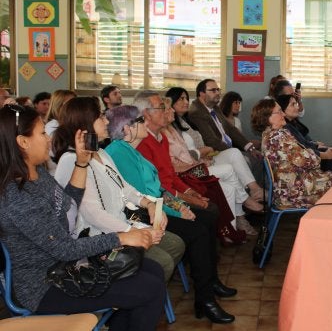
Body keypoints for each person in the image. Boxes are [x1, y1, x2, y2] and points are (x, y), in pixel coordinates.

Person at [0, 104, 164, 331]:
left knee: (152, 271)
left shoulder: (36, 175)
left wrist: (81, 163)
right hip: (43, 286)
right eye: (42, 133)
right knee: (149, 288)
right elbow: (64, 248)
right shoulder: (16, 195)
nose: (49, 138)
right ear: (22, 141)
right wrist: (122, 238)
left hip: (63, 268)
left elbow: (67, 208)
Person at [105, 104, 237, 324]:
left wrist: (180, 206)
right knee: (198, 231)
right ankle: (205, 299)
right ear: (126, 128)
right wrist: (177, 210)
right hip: (139, 215)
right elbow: (141, 197)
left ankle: (209, 283)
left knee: (207, 217)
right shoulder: (119, 153)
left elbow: (158, 188)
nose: (145, 123)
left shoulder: (130, 150)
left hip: (156, 208)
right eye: (139, 121)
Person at [52, 97, 185, 282]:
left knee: (175, 245)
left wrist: (150, 204)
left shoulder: (101, 152)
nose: (107, 121)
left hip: (119, 227)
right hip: (96, 240)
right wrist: (131, 232)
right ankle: (132, 302)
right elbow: (93, 215)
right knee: (162, 262)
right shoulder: (71, 161)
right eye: (100, 117)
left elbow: (125, 188)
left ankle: (144, 297)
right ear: (86, 123)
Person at [165, 87, 261, 235]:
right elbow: (181, 157)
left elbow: (229, 131)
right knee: (230, 168)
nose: (186, 102)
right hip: (192, 167)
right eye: (181, 99)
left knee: (235, 155)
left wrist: (204, 154)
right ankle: (245, 201)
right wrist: (201, 154)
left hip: (203, 159)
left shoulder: (185, 120)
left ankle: (234, 224)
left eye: (186, 98)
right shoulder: (178, 123)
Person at [251, 99, 332, 209]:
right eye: (279, 111)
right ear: (267, 117)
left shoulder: (270, 135)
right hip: (295, 193)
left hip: (296, 186)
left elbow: (302, 154)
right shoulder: (278, 138)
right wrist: (324, 156)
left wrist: (313, 154)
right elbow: (306, 160)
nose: (283, 114)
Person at [188, 79, 264, 186]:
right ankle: (253, 192)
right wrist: (233, 152)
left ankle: (258, 194)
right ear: (202, 94)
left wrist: (250, 148)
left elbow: (231, 129)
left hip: (228, 149)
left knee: (259, 158)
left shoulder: (214, 108)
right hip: (214, 154)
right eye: (213, 90)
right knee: (248, 160)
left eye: (218, 90)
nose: (218, 93)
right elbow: (211, 140)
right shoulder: (196, 112)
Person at [275, 94, 332, 179]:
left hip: (312, 153)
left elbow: (303, 141)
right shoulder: (286, 127)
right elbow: (303, 147)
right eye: (293, 104)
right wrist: (323, 151)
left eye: (296, 104)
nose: (297, 107)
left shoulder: (291, 123)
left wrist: (316, 145)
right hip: (310, 160)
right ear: (283, 109)